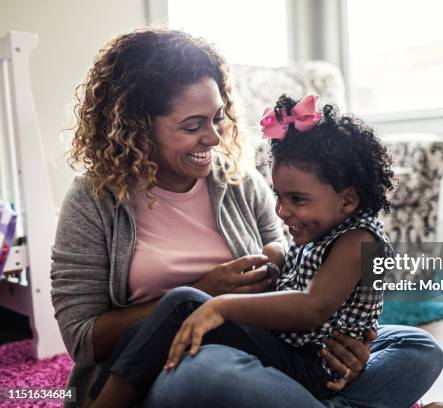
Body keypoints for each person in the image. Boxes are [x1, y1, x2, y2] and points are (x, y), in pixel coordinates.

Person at [50, 28, 443, 408]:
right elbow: (84, 340)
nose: (212, 138)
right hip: (171, 364)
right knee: (209, 374)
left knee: (415, 346)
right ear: (137, 128)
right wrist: (205, 293)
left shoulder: (238, 182)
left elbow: (304, 287)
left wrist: (354, 342)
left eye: (217, 117)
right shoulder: (95, 200)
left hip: (275, 346)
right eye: (193, 126)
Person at [87, 93, 394, 407]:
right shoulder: (327, 226)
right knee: (144, 330)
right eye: (279, 196)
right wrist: (275, 253)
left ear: (347, 199)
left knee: (415, 346)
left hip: (312, 366)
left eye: (297, 200)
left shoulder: (360, 240)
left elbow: (311, 307)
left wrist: (222, 307)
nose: (282, 211)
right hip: (287, 347)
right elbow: (299, 263)